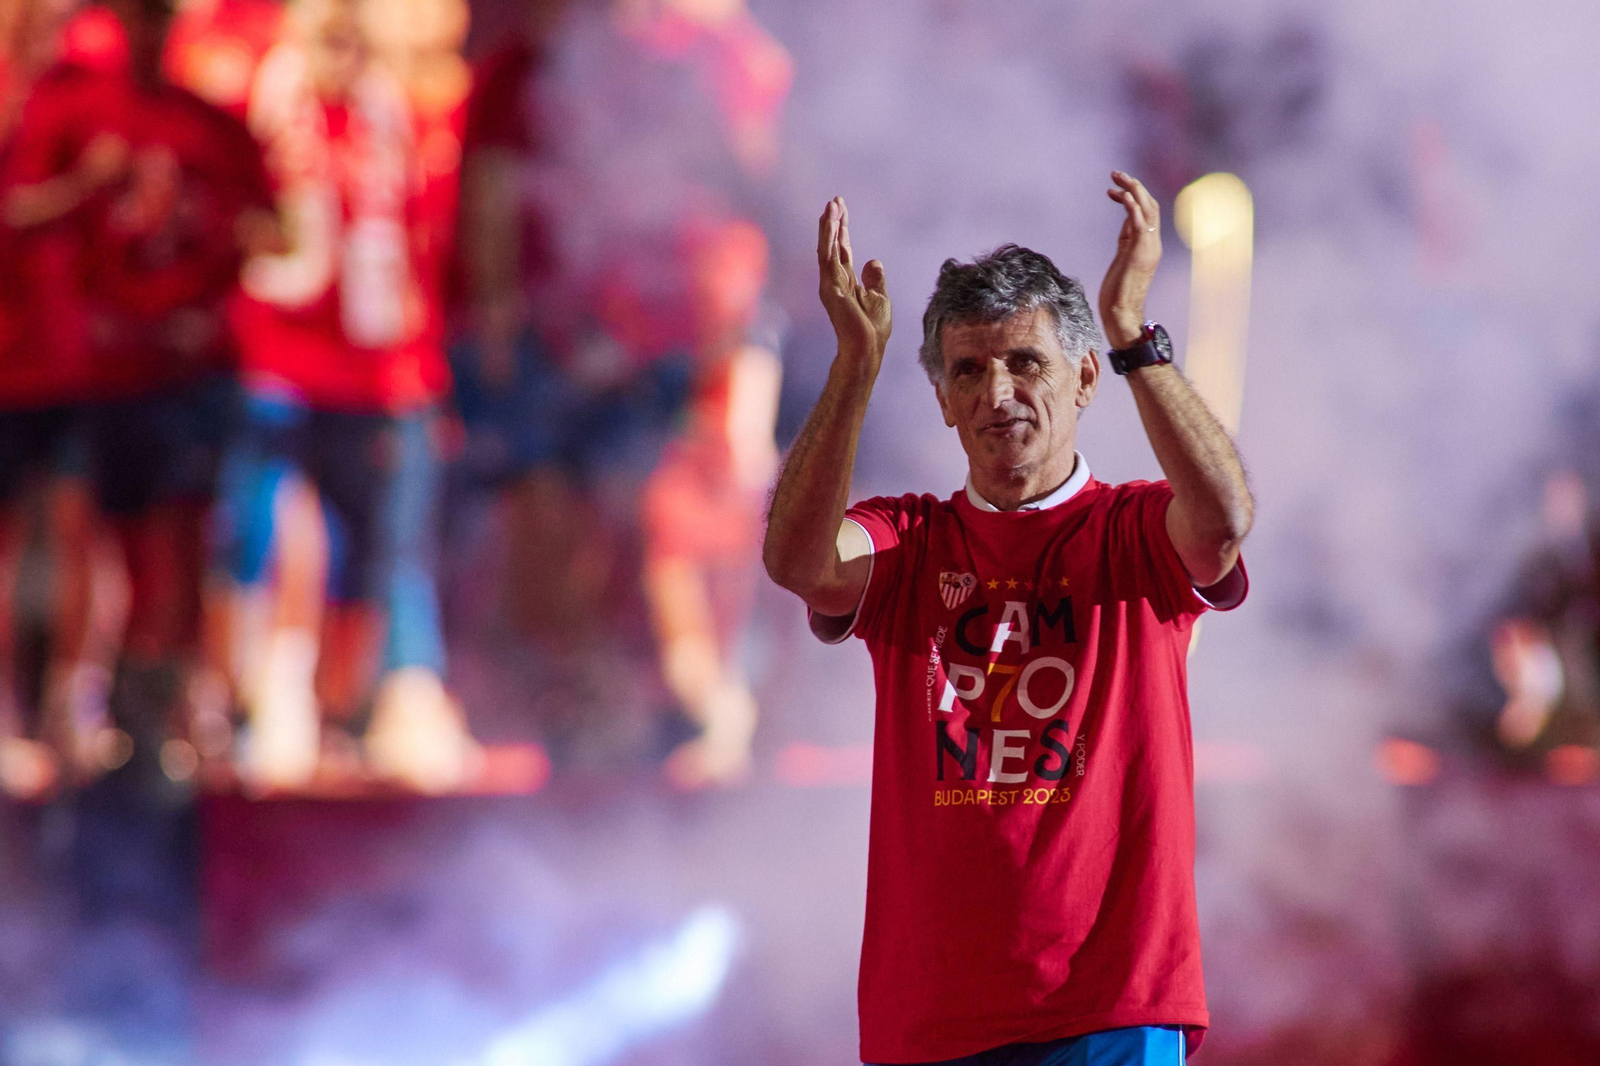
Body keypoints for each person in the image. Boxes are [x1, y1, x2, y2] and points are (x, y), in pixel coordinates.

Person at [764, 174, 1253, 1065]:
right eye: (968, 370)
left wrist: (1135, 331)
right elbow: (799, 565)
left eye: (1025, 362)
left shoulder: (1135, 530)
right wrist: (853, 367)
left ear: (1084, 379)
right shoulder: (908, 539)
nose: (998, 393)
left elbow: (1221, 520)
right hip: (933, 1020)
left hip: (1112, 1010)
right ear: (944, 401)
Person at [2, 0, 278, 782]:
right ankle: (80, 694)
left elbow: (272, 223)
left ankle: (167, 697)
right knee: (93, 539)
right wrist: (87, 185)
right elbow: (20, 208)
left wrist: (226, 267)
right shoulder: (75, 113)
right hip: (97, 369)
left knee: (187, 538)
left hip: (189, 370)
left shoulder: (211, 125)